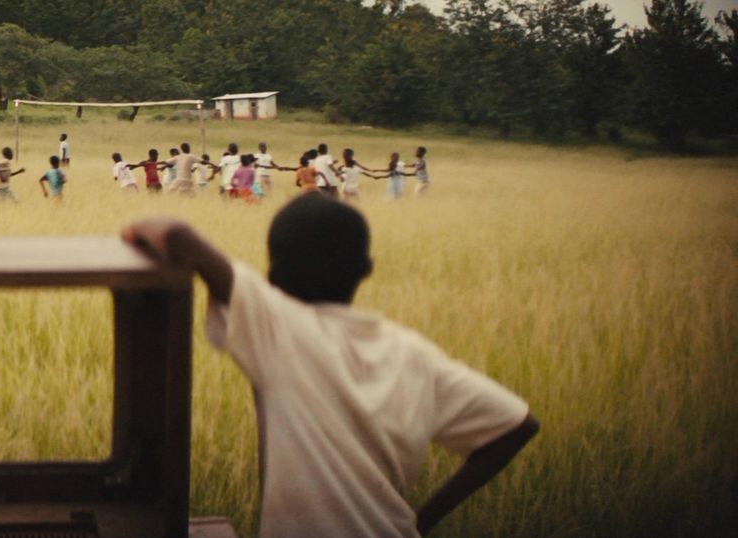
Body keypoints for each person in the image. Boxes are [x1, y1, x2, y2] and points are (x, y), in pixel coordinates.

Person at [121, 196, 539, 538]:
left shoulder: (282, 328)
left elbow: (175, 233)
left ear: (273, 273)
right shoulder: (414, 355)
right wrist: (420, 521)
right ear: (366, 270)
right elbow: (517, 426)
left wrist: (130, 235)